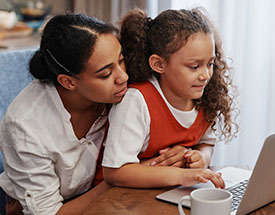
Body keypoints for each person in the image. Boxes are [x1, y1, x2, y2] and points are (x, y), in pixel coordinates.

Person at [0, 13, 128, 215]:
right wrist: (118, 179)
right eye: (105, 74)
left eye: (121, 60)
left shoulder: (118, 93)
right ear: (68, 82)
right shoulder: (25, 125)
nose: (123, 77)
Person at [102, 8, 238, 188]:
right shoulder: (136, 100)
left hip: (171, 193)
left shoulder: (203, 95)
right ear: (159, 64)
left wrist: (201, 159)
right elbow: (114, 172)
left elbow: (206, 143)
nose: (206, 75)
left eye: (210, 64)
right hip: (123, 198)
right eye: (194, 66)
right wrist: (181, 175)